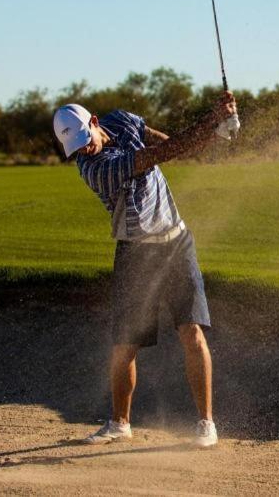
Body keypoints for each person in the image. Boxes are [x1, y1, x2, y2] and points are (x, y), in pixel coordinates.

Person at [51, 92, 237, 448]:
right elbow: (160, 155)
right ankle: (120, 423)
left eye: (83, 140)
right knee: (125, 346)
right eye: (74, 148)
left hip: (177, 242)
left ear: (94, 123)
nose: (82, 150)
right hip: (136, 255)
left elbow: (168, 143)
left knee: (192, 332)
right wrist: (212, 122)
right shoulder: (96, 170)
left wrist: (213, 134)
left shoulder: (122, 119)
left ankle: (205, 424)